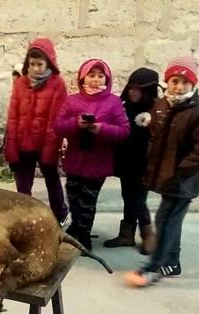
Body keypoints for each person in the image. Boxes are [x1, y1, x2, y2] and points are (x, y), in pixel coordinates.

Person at [124, 56, 199, 287]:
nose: (179, 86)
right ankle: (172, 262)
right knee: (170, 221)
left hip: (182, 179)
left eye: (185, 82)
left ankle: (153, 268)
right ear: (168, 81)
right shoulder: (163, 105)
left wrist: (179, 170)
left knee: (165, 220)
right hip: (165, 175)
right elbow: (156, 135)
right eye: (175, 80)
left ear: (193, 84)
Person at [53, 59, 130, 250]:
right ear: (82, 77)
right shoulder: (72, 101)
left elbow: (124, 131)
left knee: (87, 202)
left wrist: (100, 129)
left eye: (100, 76)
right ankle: (76, 229)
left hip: (98, 164)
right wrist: (75, 124)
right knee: (73, 198)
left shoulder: (113, 102)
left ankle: (84, 237)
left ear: (107, 78)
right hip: (75, 161)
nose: (96, 80)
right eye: (92, 75)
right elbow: (58, 127)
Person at [3, 38, 68, 225]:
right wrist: (12, 144)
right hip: (23, 141)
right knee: (23, 183)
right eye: (31, 64)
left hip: (45, 141)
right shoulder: (21, 83)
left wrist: (50, 148)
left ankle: (60, 213)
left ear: (49, 63)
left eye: (40, 64)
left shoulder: (57, 85)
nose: (36, 68)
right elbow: (13, 115)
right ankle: (24, 214)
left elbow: (55, 119)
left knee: (51, 178)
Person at [103, 68, 159, 255]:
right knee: (128, 196)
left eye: (139, 89)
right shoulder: (124, 106)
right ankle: (126, 234)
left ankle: (147, 233)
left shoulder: (155, 111)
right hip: (126, 161)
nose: (134, 92)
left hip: (143, 163)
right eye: (132, 88)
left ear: (148, 91)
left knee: (138, 200)